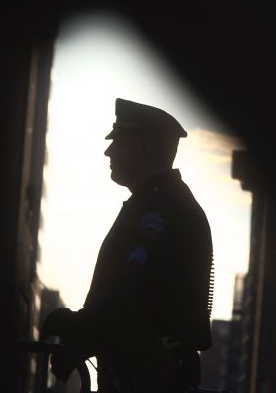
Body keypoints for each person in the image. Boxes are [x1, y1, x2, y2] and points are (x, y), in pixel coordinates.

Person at [42, 98, 214, 393]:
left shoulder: (160, 211)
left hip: (147, 378)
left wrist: (78, 328)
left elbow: (135, 294)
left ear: (145, 149)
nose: (108, 151)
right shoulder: (162, 204)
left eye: (118, 142)